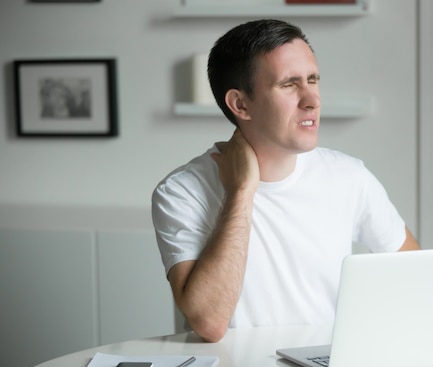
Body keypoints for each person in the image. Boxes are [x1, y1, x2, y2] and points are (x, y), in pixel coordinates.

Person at [152, 19, 419, 343]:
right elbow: (209, 323)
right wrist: (242, 190)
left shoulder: (349, 177)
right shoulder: (181, 192)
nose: (312, 100)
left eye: (313, 80)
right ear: (240, 104)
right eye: (289, 84)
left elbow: (413, 270)